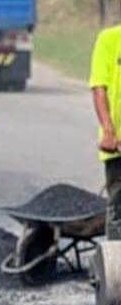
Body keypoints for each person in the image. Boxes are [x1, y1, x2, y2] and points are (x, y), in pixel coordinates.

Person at [91, 22, 121, 239]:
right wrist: (109, 131)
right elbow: (99, 88)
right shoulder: (109, 39)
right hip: (117, 145)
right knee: (118, 207)